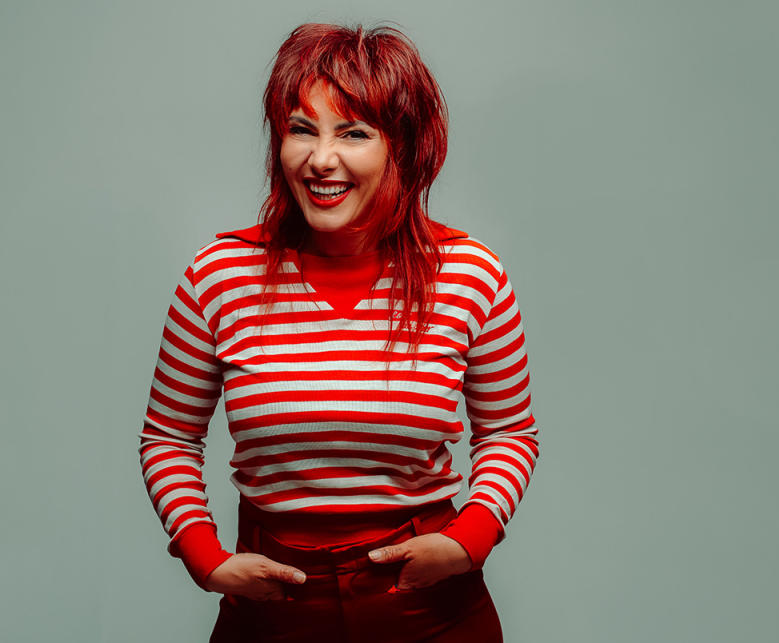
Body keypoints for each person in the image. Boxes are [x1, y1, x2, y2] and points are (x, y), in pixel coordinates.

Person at [139, 22, 540, 643]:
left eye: (353, 133)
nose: (321, 159)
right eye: (302, 129)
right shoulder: (218, 275)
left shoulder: (469, 274)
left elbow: (510, 432)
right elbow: (167, 436)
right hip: (273, 612)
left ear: (401, 146)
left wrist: (470, 540)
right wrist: (204, 557)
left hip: (431, 609)